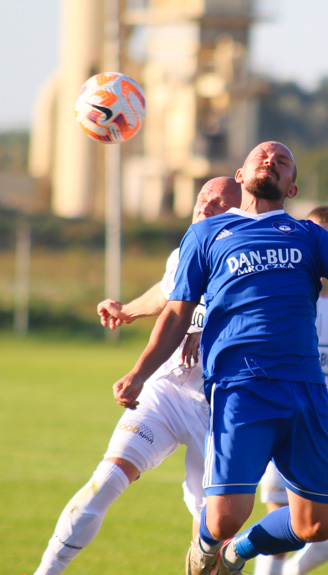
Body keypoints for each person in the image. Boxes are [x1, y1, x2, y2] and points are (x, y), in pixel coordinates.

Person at [110, 141, 328, 575]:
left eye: (282, 161)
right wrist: (139, 373)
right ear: (240, 174)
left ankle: (237, 552)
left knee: (319, 524)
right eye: (262, 157)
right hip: (240, 386)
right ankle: (210, 544)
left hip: (305, 392)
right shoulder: (206, 234)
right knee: (224, 516)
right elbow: (176, 311)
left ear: (291, 188)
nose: (271, 161)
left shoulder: (309, 235)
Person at [33, 177, 242, 575]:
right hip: (165, 394)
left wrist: (205, 330)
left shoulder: (248, 259)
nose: (205, 205)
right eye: (202, 198)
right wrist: (128, 310)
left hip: (221, 412)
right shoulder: (187, 250)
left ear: (241, 211)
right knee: (104, 481)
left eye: (219, 201)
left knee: (213, 538)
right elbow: (168, 295)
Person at [254, 205, 328, 575]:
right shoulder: (288, 292)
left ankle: (295, 572)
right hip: (287, 419)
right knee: (284, 528)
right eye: (321, 233)